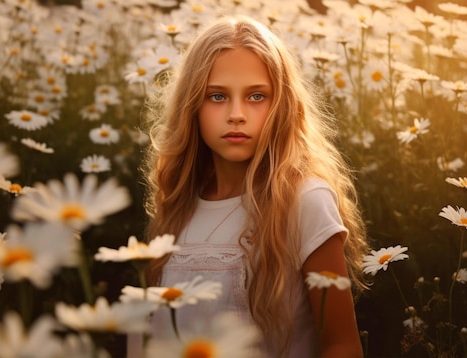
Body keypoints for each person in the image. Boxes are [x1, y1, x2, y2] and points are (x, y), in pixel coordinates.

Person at [141, 15, 369, 358]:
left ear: (283, 105)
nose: (236, 114)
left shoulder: (304, 200)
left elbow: (341, 345)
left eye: (256, 96)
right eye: (217, 96)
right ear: (192, 106)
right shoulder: (177, 204)